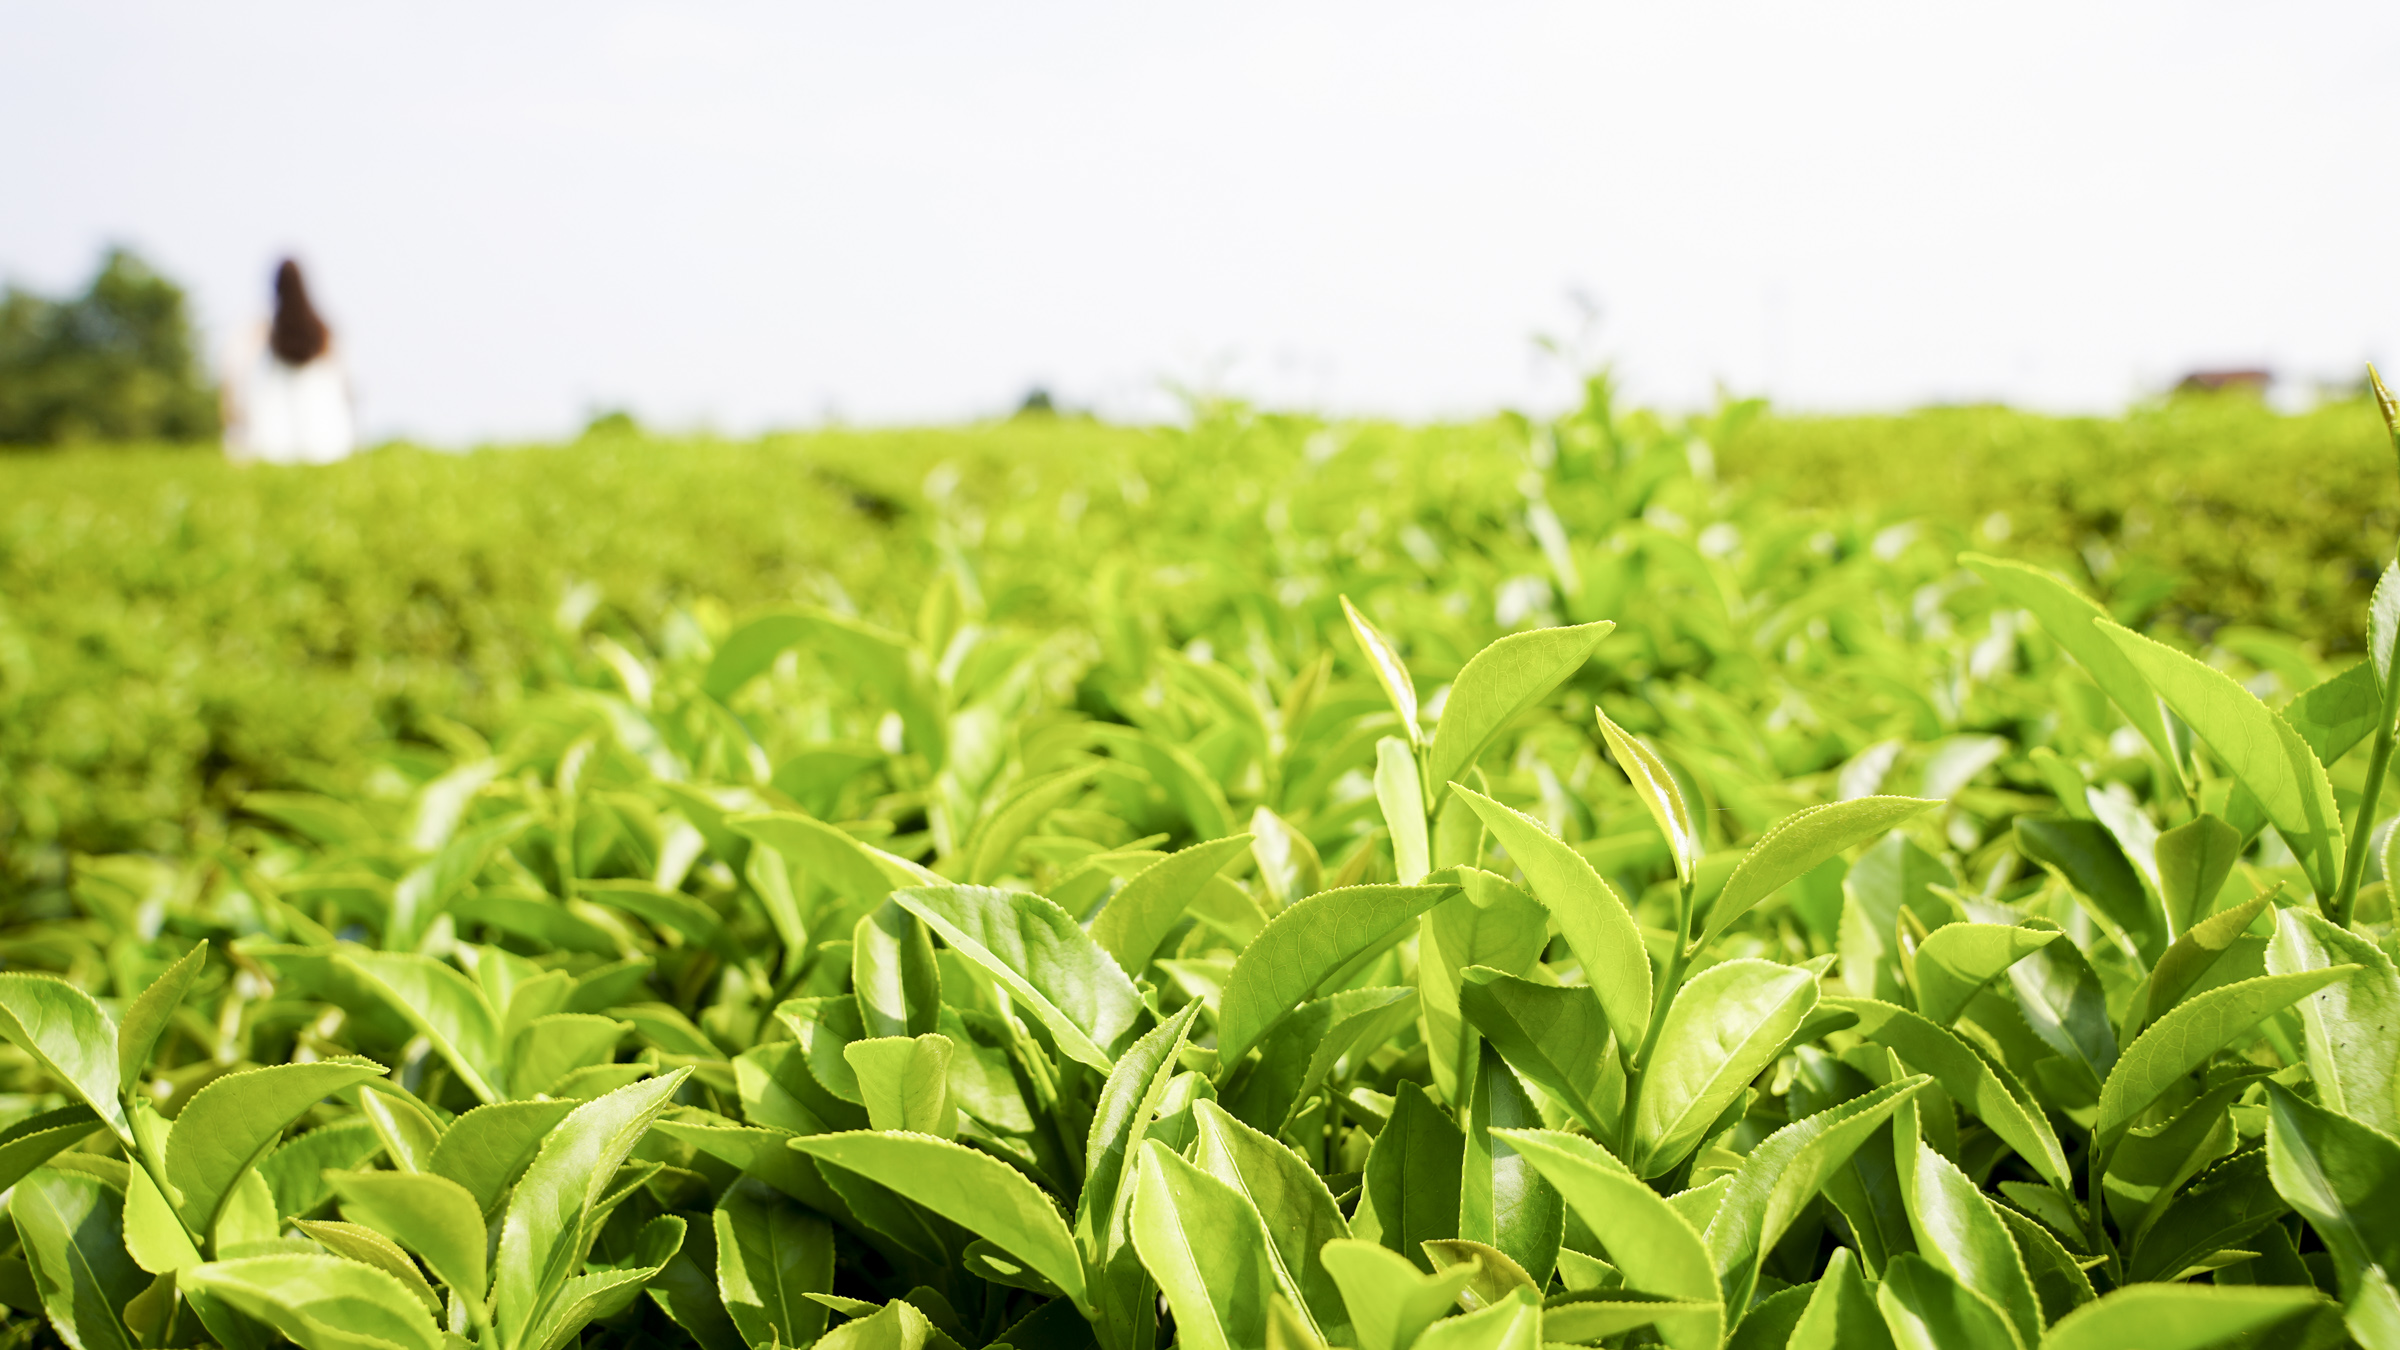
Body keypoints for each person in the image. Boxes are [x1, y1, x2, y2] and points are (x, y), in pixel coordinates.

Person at [223, 259, 355, 463]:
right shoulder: (323, 330)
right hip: (323, 430)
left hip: (277, 429)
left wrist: (236, 411)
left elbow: (238, 367)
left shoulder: (264, 327)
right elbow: (343, 377)